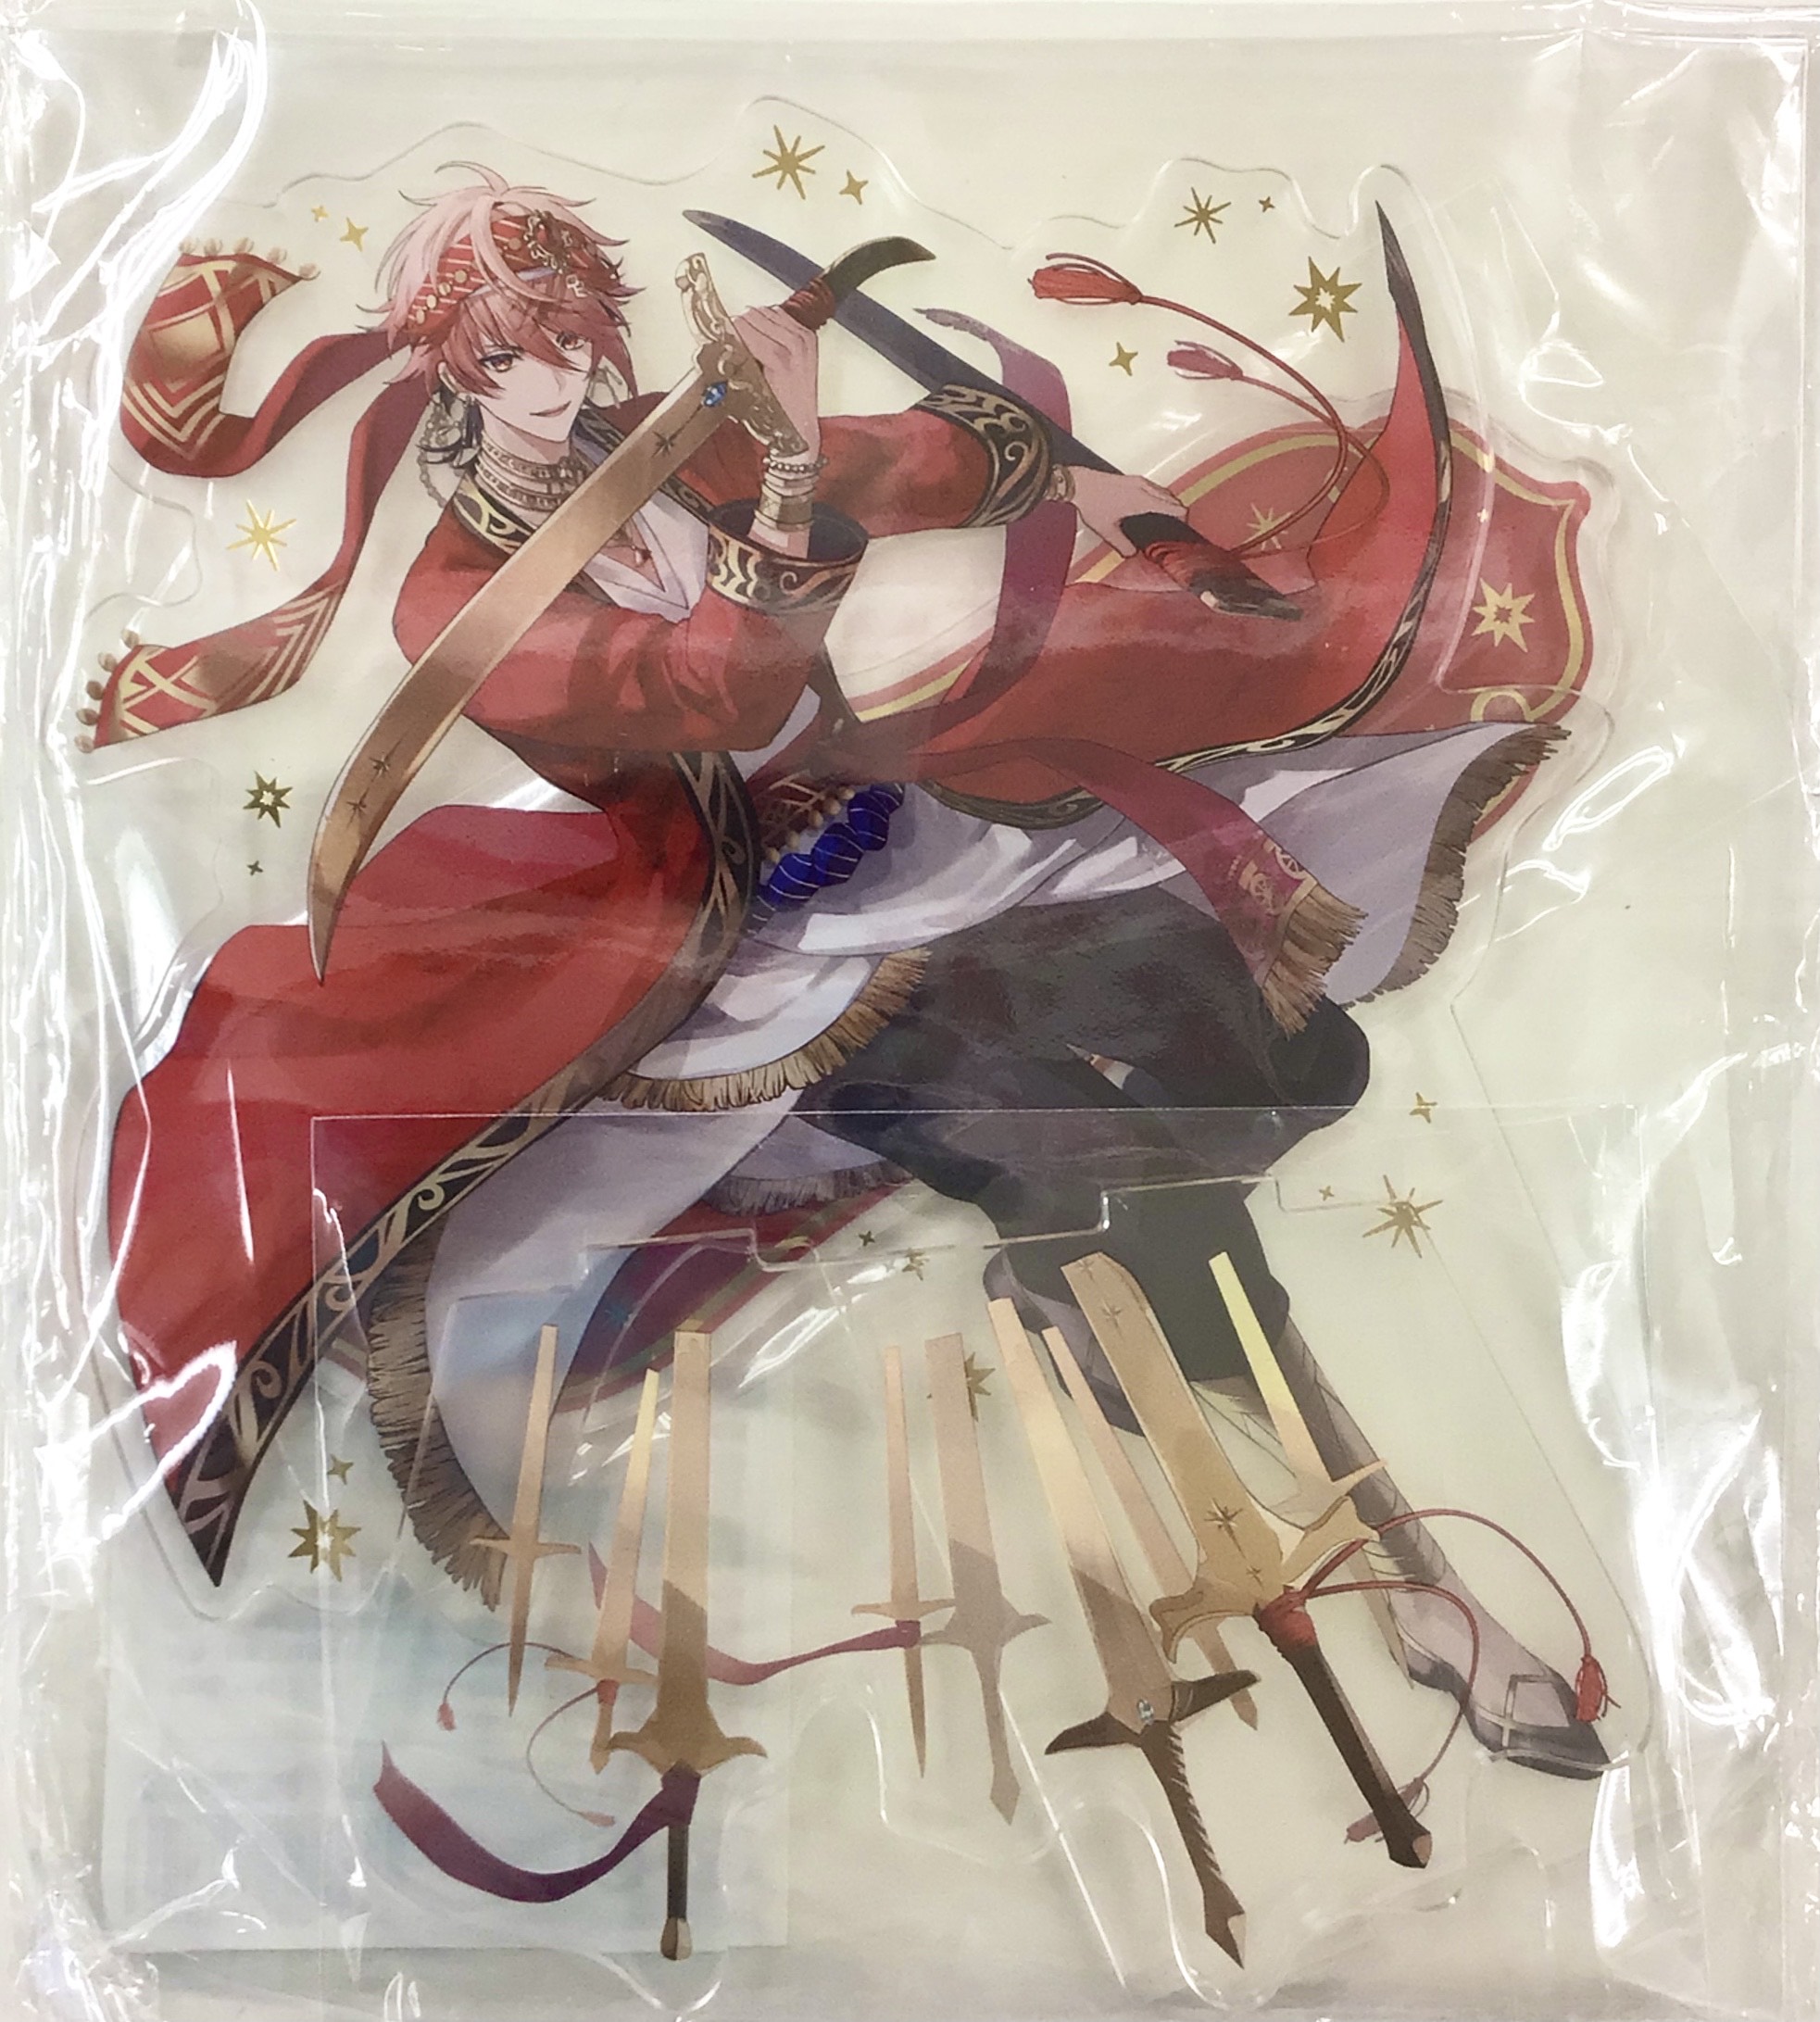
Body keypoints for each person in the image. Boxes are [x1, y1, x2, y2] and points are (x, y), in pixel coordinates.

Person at [93, 167, 1603, 1779]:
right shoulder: (455, 600)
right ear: (454, 366)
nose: (566, 371)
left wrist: (1047, 468)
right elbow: (717, 697)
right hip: (731, 951)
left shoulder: (674, 443)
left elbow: (940, 462)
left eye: (579, 334)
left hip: (913, 838)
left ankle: (1144, 1342)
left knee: (1265, 1039)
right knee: (1082, 1160)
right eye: (520, 348)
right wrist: (797, 470)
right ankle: (1402, 1580)